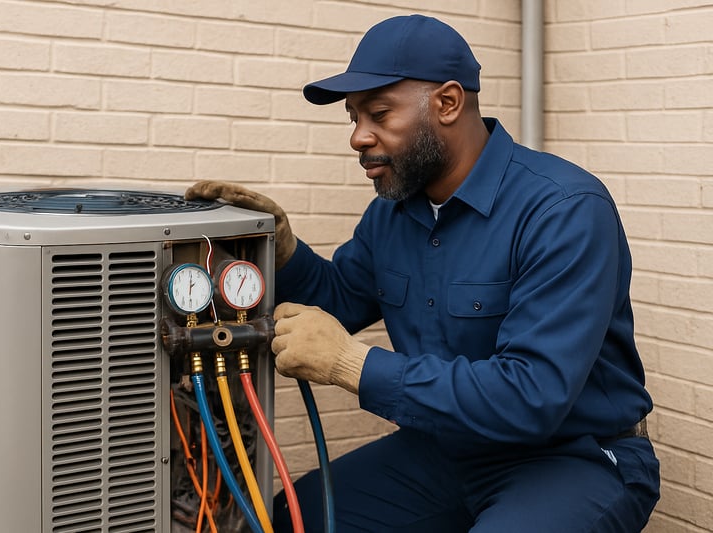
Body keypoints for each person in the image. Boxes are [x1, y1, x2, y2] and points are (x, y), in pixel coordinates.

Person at [186, 14, 660, 533]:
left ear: (448, 103)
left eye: (379, 114)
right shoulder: (393, 213)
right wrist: (283, 250)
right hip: (447, 452)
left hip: (572, 457)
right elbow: (340, 298)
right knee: (292, 518)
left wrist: (349, 364)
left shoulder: (564, 209)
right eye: (353, 117)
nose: (358, 137)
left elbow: (532, 395)